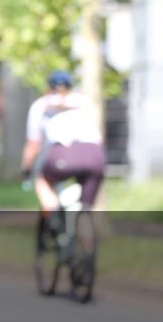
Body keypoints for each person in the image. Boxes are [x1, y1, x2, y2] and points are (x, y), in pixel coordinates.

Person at [21, 70, 106, 229]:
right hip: (95, 156)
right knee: (85, 211)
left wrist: (26, 170)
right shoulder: (83, 101)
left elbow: (33, 144)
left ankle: (53, 215)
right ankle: (88, 249)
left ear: (49, 88)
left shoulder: (41, 105)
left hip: (62, 154)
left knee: (42, 180)